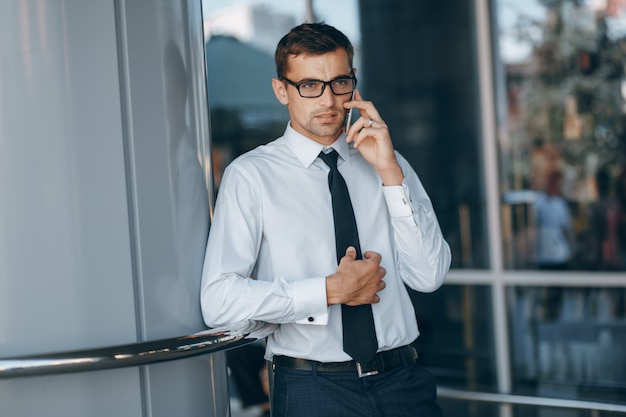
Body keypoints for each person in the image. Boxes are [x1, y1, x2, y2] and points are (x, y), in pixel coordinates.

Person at [201, 22, 451, 417]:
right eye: (310, 86)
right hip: (312, 389)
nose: (329, 100)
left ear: (354, 82)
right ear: (281, 90)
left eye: (340, 83)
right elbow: (218, 301)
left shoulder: (388, 162)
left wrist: (390, 174)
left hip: (404, 382)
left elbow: (429, 274)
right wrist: (328, 291)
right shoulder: (251, 175)